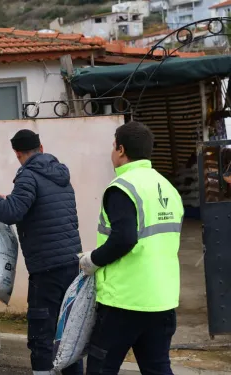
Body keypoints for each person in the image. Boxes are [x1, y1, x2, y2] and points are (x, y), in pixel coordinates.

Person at [0, 129, 83, 375]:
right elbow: (33, 206)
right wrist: (7, 199)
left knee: (41, 336)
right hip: (72, 265)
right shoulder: (60, 175)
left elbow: (12, 212)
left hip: (47, 270)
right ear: (41, 148)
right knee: (68, 332)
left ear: (18, 153)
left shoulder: (28, 176)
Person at [79, 121, 184, 374]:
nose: (112, 152)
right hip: (162, 299)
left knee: (100, 368)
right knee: (157, 368)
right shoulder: (168, 188)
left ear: (122, 150)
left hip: (124, 302)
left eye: (113, 146)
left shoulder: (122, 188)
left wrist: (91, 261)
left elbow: (124, 239)